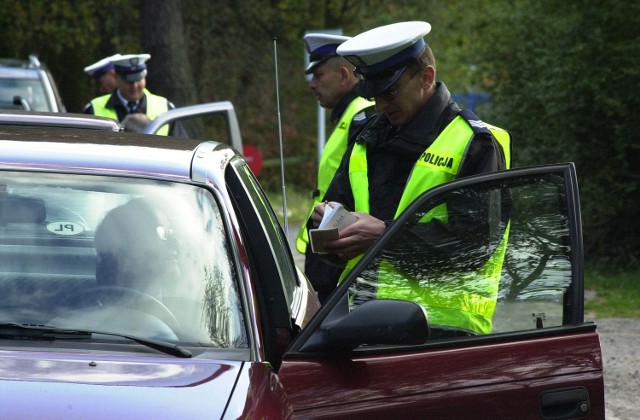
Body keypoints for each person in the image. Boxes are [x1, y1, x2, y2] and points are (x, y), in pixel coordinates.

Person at [309, 21, 512, 333]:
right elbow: (344, 217)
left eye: (390, 92)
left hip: (443, 333)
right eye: (373, 94)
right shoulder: (368, 137)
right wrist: (329, 225)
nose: (380, 105)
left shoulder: (476, 144)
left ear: (426, 77)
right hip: (364, 325)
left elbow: (474, 246)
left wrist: (382, 236)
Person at [295, 33, 376, 303]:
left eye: (319, 75)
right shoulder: (348, 116)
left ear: (343, 75)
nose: (312, 84)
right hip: (331, 253)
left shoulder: (363, 116)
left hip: (344, 259)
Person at [94, 198, 179, 299]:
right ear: (123, 254)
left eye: (170, 232)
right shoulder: (82, 311)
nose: (177, 242)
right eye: (161, 232)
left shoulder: (195, 310)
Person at [83, 54, 175, 136]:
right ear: (116, 78)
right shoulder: (93, 108)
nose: (134, 86)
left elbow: (179, 145)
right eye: (129, 81)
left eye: (138, 80)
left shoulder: (166, 107)